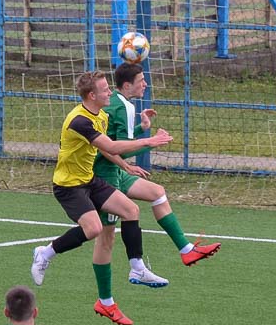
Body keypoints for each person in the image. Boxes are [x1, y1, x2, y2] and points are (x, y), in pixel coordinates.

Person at [30, 70, 173, 325]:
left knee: (131, 210)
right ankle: (45, 253)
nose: (110, 92)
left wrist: (126, 166)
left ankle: (137, 267)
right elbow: (113, 146)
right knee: (94, 229)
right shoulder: (79, 121)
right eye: (105, 89)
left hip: (89, 179)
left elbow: (107, 149)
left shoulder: (102, 116)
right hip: (69, 186)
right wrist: (150, 141)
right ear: (91, 95)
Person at [94, 62, 221, 288]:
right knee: (105, 238)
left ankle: (185, 250)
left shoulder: (118, 103)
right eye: (141, 80)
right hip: (104, 177)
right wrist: (153, 142)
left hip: (114, 170)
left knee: (157, 193)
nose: (146, 84)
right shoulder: (122, 106)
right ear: (127, 85)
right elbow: (120, 146)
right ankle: (50, 252)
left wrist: (143, 129)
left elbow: (112, 140)